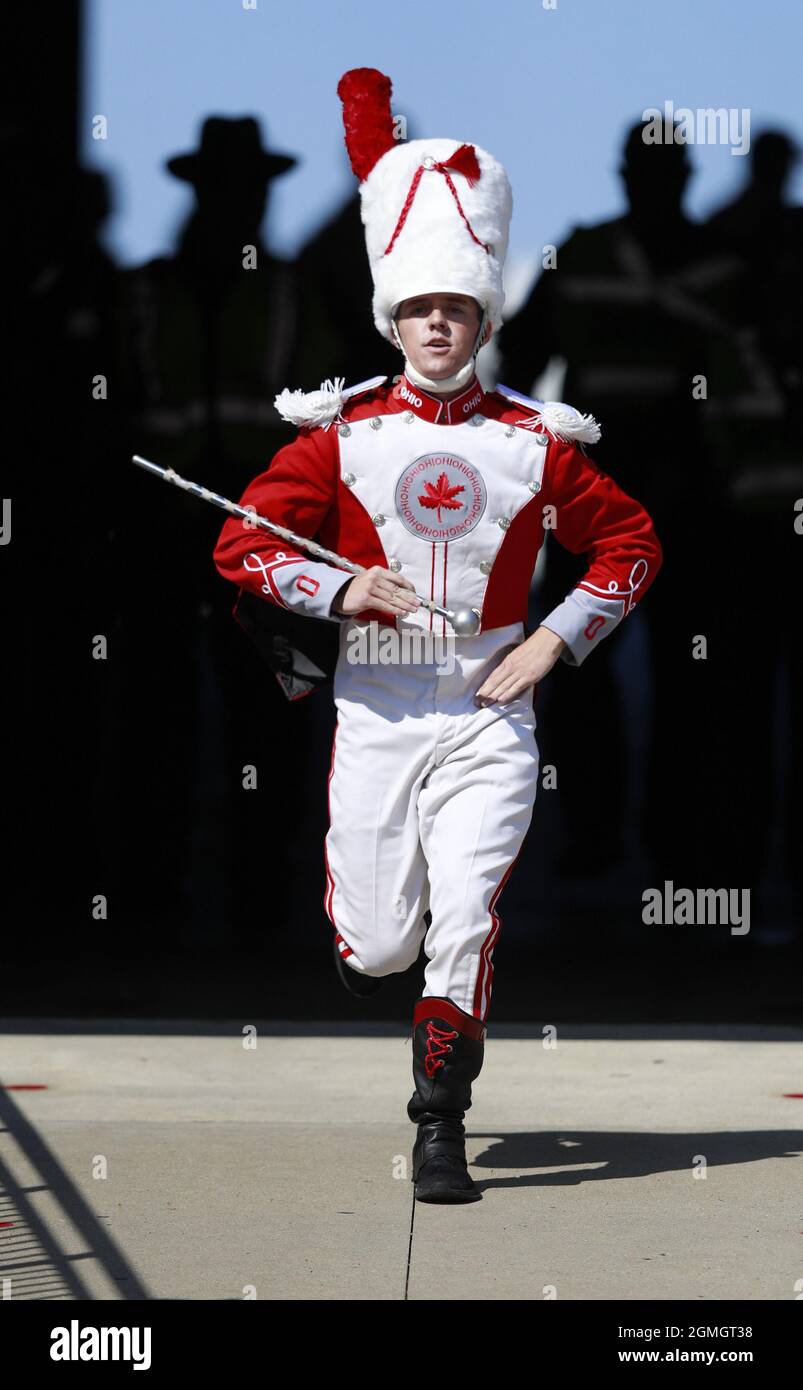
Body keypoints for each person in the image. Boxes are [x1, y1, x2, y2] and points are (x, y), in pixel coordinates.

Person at [212, 68, 663, 1203]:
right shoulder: (341, 432)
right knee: (373, 949)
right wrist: (336, 592)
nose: (435, 327)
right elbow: (242, 547)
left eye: (455, 310)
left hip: (487, 709)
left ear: (483, 317)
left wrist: (555, 640)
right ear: (392, 317)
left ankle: (437, 1125)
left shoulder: (534, 443)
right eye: (418, 310)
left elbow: (632, 546)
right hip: (373, 706)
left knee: (465, 914)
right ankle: (379, 966)